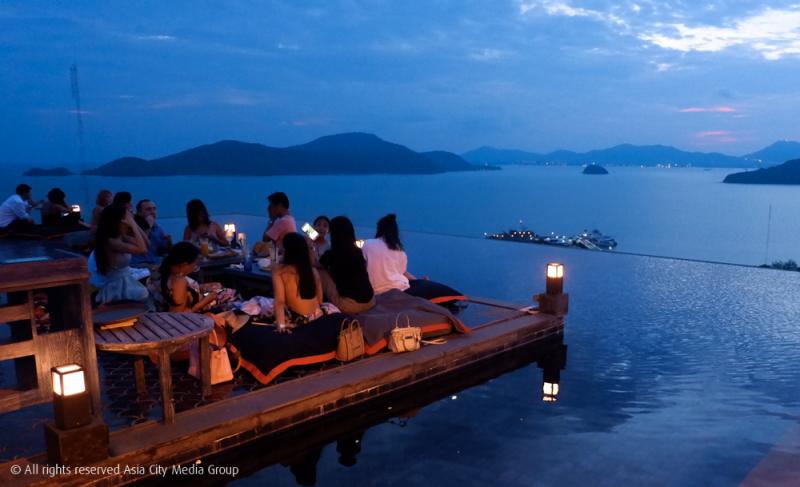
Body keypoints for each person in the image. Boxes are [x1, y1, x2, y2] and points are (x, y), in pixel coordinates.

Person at [89, 204, 149, 304]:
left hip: (125, 280)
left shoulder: (120, 237)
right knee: (143, 293)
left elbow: (146, 245)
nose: (131, 217)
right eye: (128, 216)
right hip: (115, 286)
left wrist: (134, 224)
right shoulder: (111, 241)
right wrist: (133, 224)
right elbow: (142, 249)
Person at [318, 216, 375, 313]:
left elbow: (314, 264)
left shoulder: (332, 254)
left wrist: (310, 243)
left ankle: (316, 306)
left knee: (320, 272)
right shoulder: (358, 252)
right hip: (371, 302)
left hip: (350, 306)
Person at [272, 232, 323, 330]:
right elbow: (320, 300)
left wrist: (281, 327)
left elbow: (279, 302)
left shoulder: (279, 271)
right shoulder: (313, 271)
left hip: (299, 320)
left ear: (287, 251)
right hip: (317, 316)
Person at [362, 214, 419, 294]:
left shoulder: (368, 244)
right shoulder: (399, 250)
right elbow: (401, 272)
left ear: (379, 229)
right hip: (400, 288)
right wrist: (418, 281)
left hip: (375, 290)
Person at [159, 242, 222, 313]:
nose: (195, 267)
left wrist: (203, 287)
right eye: (194, 264)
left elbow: (186, 291)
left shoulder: (172, 273)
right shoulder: (179, 282)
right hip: (193, 316)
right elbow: (179, 315)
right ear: (184, 265)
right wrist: (206, 301)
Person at [131, 199, 172, 266]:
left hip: (155, 263)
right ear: (139, 213)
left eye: (154, 209)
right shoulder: (133, 226)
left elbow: (162, 251)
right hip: (138, 264)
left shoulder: (157, 228)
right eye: (148, 209)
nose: (153, 212)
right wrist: (149, 226)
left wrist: (169, 242)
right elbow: (141, 244)